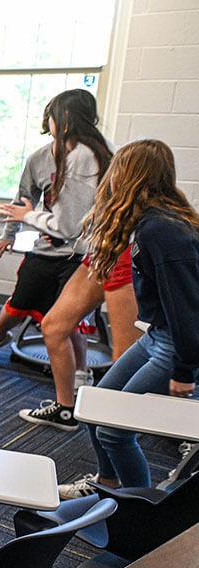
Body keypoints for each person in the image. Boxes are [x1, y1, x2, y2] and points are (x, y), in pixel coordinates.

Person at [52, 140, 199, 499]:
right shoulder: (154, 222)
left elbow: (186, 308)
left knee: (115, 431)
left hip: (172, 345)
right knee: (95, 406)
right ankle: (107, 485)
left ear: (127, 176)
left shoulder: (161, 230)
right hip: (157, 336)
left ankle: (139, 512)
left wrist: (184, 371)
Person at [0, 91, 117, 428]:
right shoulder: (46, 158)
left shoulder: (86, 157)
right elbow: (22, 200)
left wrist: (29, 217)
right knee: (26, 308)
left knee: (61, 325)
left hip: (82, 255)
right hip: (56, 252)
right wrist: (10, 233)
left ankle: (75, 390)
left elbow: (67, 225)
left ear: (63, 119)